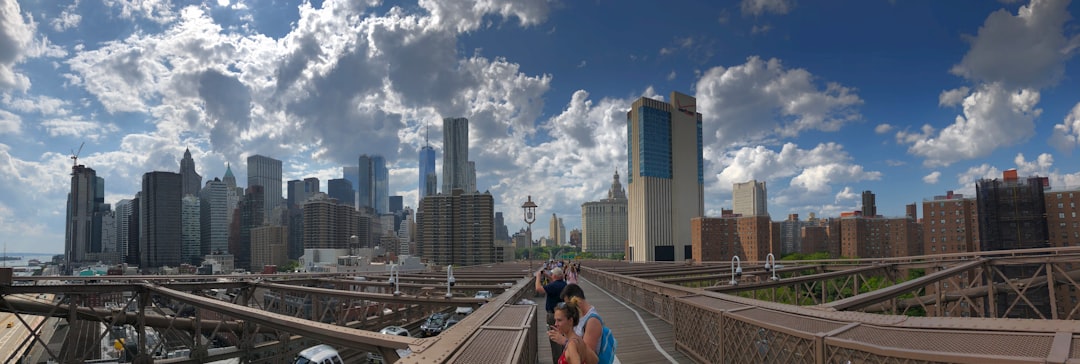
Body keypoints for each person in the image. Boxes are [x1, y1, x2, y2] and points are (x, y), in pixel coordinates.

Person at [550, 284, 601, 355]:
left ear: (576, 299)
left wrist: (564, 341)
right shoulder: (579, 314)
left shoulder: (592, 321)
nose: (568, 307)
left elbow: (588, 354)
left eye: (568, 304)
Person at [536, 266, 567, 363]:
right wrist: (546, 275)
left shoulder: (554, 286)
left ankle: (558, 361)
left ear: (555, 276)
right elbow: (553, 281)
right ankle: (564, 359)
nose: (551, 275)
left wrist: (538, 277)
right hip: (563, 315)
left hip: (553, 316)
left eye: (552, 274)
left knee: (555, 342)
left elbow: (539, 289)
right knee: (562, 340)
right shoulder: (563, 284)